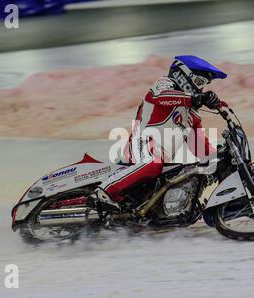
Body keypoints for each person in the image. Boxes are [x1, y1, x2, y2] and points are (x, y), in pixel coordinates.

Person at [96, 55, 228, 212]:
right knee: (154, 163)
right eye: (199, 82)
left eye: (204, 85)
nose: (200, 89)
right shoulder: (164, 85)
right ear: (184, 75)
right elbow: (161, 97)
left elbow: (200, 147)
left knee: (195, 169)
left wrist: (218, 157)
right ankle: (104, 191)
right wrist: (195, 98)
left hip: (160, 157)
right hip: (142, 145)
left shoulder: (191, 115)